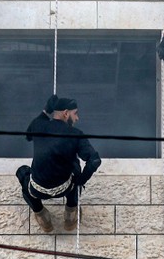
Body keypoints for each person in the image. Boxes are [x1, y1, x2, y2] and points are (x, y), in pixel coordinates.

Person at [16, 95, 102, 233]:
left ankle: (41, 215)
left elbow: (28, 135)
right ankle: (71, 213)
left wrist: (45, 111)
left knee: (22, 172)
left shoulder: (39, 126)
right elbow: (94, 160)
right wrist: (81, 180)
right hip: (65, 188)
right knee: (75, 164)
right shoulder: (75, 134)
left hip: (37, 189)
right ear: (66, 113)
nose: (77, 118)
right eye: (75, 114)